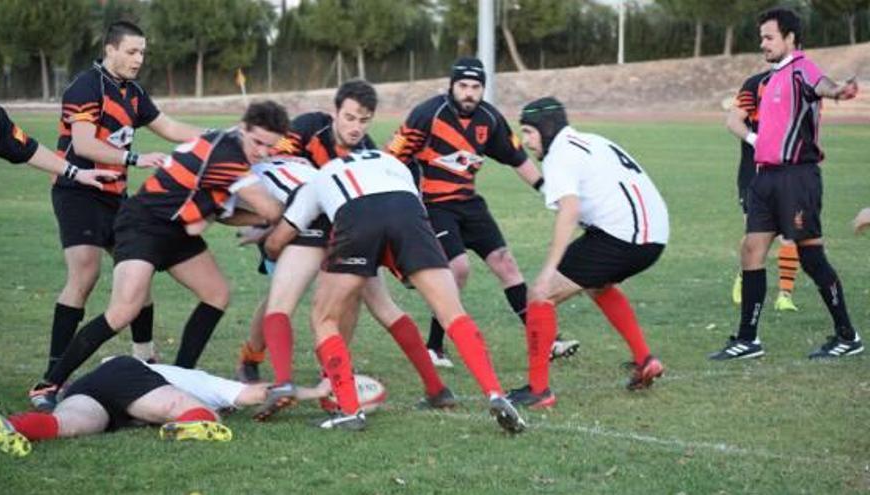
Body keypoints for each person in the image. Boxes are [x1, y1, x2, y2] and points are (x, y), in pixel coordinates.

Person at [28, 101, 290, 411]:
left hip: (175, 229)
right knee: (123, 311)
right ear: (243, 128)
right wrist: (299, 208)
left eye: (269, 147)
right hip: (143, 224)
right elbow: (270, 209)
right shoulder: (229, 156)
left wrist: (263, 220)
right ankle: (48, 384)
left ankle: (180, 379)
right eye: (257, 142)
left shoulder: (228, 145)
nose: (261, 152)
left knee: (216, 293)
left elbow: (225, 215)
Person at [262, 150, 525, 433]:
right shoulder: (390, 161)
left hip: (356, 215)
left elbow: (278, 240)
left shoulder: (318, 179)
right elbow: (412, 209)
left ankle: (350, 411)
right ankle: (495, 393)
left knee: (324, 317)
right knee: (452, 312)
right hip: (408, 210)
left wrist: (267, 245)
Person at [231, 155, 456, 421]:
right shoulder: (292, 161)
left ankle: (283, 382)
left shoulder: (235, 173)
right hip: (347, 214)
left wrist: (269, 242)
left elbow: (262, 214)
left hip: (305, 217)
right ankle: (436, 388)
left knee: (280, 303)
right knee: (384, 306)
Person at [387, 57, 578, 367]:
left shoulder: (489, 119)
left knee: (506, 265)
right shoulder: (428, 114)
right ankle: (434, 346)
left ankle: (545, 342)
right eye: (463, 86)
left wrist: (548, 191)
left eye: (476, 87)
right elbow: (392, 156)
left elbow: (517, 158)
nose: (469, 93)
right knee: (458, 269)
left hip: (469, 203)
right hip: (433, 206)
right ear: (451, 86)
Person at [46, 21, 204, 380]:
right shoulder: (85, 87)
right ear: (110, 49)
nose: (138, 59)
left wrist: (219, 137)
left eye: (143, 52)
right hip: (77, 192)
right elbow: (83, 144)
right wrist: (135, 158)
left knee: (139, 271)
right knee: (85, 272)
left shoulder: (133, 92)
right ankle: (53, 372)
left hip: (115, 196)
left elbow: (170, 128)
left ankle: (145, 356)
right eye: (132, 51)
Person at [710, 7, 862, 361]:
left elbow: (825, 87)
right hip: (766, 177)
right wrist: (755, 141)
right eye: (761, 37)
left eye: (769, 37)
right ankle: (748, 339)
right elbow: (745, 124)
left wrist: (840, 92)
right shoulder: (770, 78)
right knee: (751, 250)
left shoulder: (802, 69)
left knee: (812, 258)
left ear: (790, 38)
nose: (763, 43)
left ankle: (847, 335)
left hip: (797, 177)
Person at [506, 98, 668, 409]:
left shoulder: (559, 156)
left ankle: (539, 391)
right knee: (595, 283)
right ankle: (645, 359)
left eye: (528, 132)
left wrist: (548, 270)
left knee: (540, 295)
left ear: (546, 129)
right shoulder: (593, 140)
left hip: (623, 237)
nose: (525, 141)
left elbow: (569, 210)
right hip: (653, 235)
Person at [0, 356, 271, 457]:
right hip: (127, 375)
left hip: (94, 390)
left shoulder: (179, 376)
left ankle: (15, 426)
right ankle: (191, 424)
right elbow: (254, 394)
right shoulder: (211, 384)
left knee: (66, 424)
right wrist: (307, 391)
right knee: (204, 414)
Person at [726, 70, 800, 312]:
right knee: (757, 236)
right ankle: (744, 274)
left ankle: (785, 296)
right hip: (753, 173)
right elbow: (733, 121)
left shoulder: (801, 84)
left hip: (789, 173)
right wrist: (756, 140)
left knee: (791, 234)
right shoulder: (755, 82)